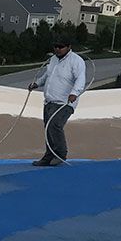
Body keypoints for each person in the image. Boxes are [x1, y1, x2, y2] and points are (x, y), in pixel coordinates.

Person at [28, 38, 87, 166]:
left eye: (61, 47)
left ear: (69, 47)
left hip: (65, 103)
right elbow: (47, 75)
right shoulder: (53, 59)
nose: (57, 49)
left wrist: (74, 93)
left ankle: (60, 154)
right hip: (49, 101)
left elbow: (80, 79)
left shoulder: (76, 61)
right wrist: (37, 83)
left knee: (55, 125)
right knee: (47, 129)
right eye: (55, 46)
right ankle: (48, 156)